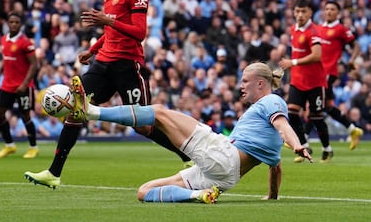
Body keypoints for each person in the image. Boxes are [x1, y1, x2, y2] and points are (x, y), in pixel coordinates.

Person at [25, 62, 312, 203]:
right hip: (224, 178)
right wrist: (272, 198)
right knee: (143, 192)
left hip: (223, 156)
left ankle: (90, 111)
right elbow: (276, 166)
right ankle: (199, 196)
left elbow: (283, 126)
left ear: (262, 84)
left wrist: (297, 144)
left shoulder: (273, 101)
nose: (241, 86)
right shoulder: (265, 121)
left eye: (246, 81)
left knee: (159, 111)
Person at [24, 0, 191, 185]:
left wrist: (105, 20)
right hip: (103, 63)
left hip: (128, 66)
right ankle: (53, 173)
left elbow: (139, 32)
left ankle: (187, 157)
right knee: (76, 107)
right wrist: (92, 50)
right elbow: (111, 29)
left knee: (143, 125)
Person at [279, 0, 332, 163]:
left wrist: (292, 63)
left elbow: (317, 55)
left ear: (310, 13)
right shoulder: (293, 29)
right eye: (297, 11)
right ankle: (304, 144)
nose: (300, 15)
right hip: (297, 80)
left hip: (315, 82)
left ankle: (327, 149)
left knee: (316, 117)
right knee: (292, 113)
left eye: (303, 11)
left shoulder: (314, 31)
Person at [306, 0, 363, 150]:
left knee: (315, 104)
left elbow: (355, 45)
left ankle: (303, 137)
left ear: (338, 12)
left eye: (332, 9)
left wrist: (351, 60)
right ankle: (352, 129)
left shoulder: (341, 29)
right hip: (316, 72)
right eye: (327, 9)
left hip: (328, 72)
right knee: (327, 106)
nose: (329, 11)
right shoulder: (318, 28)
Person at [0, 12, 39, 159]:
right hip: (7, 84)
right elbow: (5, 58)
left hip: (23, 85)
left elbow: (34, 64)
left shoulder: (26, 42)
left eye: (16, 22)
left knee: (25, 115)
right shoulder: (3, 39)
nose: (13, 24)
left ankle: (33, 147)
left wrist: (25, 84)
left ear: (21, 24)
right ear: (7, 23)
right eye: (11, 22)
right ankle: (9, 145)